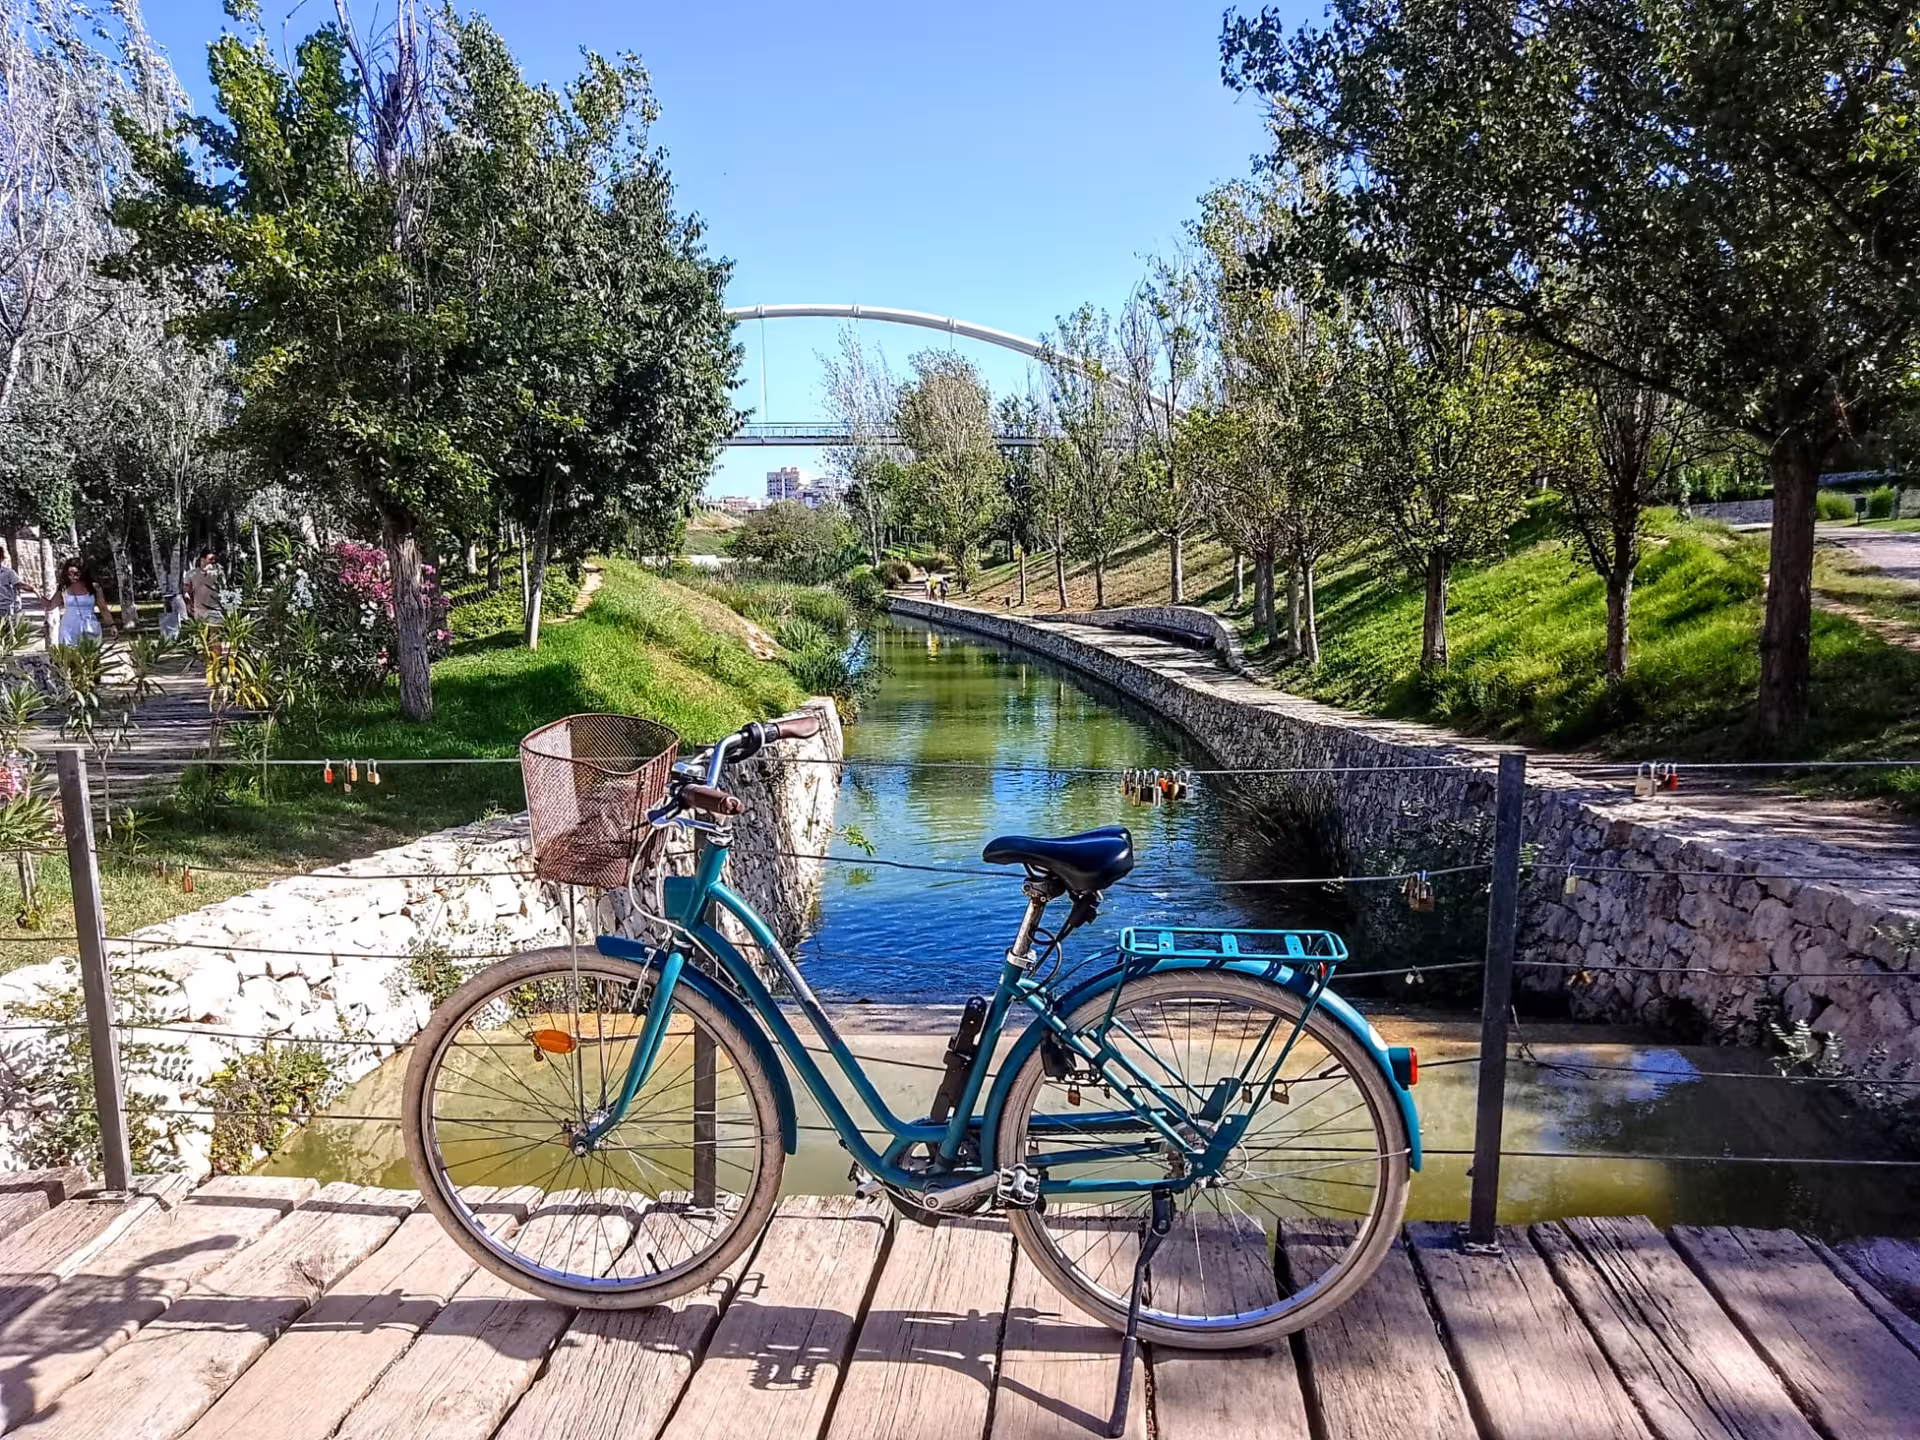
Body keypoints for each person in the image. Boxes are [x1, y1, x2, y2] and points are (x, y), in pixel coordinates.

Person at [48, 559, 112, 648]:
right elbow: (50, 606)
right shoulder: (64, 587)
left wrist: (112, 625)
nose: (72, 577)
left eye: (76, 574)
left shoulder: (94, 587)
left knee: (90, 657)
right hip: (68, 627)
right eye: (69, 574)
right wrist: (35, 592)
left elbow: (103, 608)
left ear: (83, 573)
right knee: (70, 658)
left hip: (89, 625)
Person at [184, 549, 223, 622]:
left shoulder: (218, 573)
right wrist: (188, 604)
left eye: (214, 559)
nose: (213, 561)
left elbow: (224, 588)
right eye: (210, 559)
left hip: (215, 609)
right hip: (199, 610)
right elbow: (186, 591)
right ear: (202, 559)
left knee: (215, 632)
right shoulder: (191, 574)